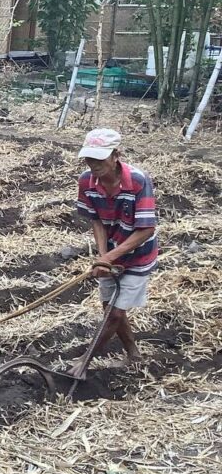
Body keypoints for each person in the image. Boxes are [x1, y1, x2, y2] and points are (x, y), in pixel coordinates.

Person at [72, 128, 158, 377]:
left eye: (99, 158)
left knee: (115, 313)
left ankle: (84, 362)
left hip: (138, 254)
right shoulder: (86, 181)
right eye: (89, 158)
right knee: (110, 308)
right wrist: (102, 256)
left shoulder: (139, 181)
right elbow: (96, 220)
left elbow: (145, 229)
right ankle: (134, 354)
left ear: (115, 155)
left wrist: (108, 258)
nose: (93, 164)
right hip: (110, 251)